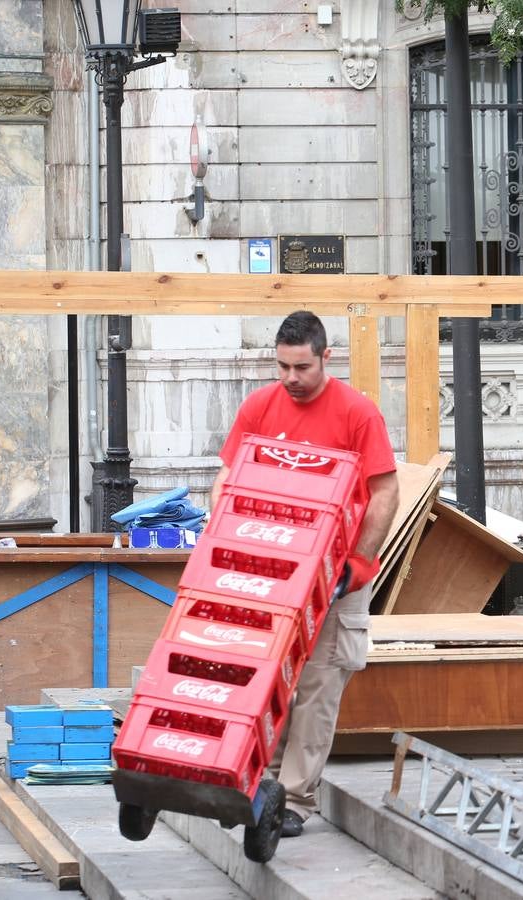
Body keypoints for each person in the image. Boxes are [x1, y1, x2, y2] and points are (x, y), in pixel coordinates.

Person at [211, 311, 399, 836]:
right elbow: (228, 477)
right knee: (268, 682)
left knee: (317, 686)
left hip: (338, 580)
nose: (291, 378)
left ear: (325, 357)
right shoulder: (259, 406)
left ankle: (293, 799)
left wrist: (357, 564)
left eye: (301, 367)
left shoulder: (357, 414)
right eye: (282, 367)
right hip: (272, 572)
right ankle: (259, 786)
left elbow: (384, 494)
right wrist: (225, 541)